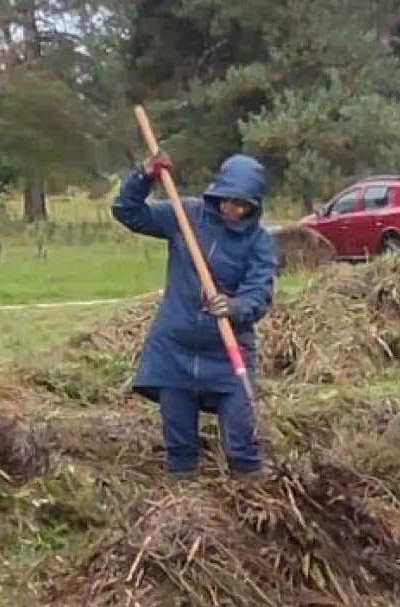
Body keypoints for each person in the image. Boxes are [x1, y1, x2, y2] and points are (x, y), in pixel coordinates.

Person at [111, 151, 278, 480]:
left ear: (253, 205)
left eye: (242, 204)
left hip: (227, 352)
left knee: (241, 445)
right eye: (228, 201)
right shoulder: (186, 215)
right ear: (218, 192)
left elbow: (258, 293)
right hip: (175, 347)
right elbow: (127, 212)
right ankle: (183, 506)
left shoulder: (259, 242)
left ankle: (253, 502)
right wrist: (144, 177)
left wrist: (234, 307)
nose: (233, 209)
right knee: (180, 448)